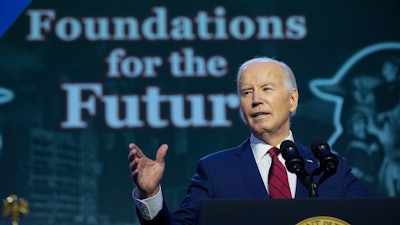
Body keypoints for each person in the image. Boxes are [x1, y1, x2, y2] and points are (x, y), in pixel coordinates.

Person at [128, 57, 372, 225]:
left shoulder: (330, 168)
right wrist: (150, 195)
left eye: (267, 89)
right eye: (246, 92)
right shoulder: (215, 170)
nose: (256, 100)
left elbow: (377, 218)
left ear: (292, 100)